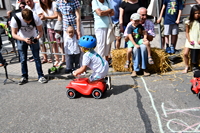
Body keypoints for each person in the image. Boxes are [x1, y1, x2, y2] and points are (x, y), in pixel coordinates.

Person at [10, 8, 47, 85]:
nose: (29, 22)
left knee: (37, 58)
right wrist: (24, 39)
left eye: (30, 21)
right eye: (27, 21)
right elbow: (14, 34)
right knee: (23, 59)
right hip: (21, 38)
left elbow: (40, 31)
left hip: (33, 37)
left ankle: (41, 76)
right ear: (23, 18)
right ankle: (24, 76)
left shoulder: (35, 18)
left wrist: (37, 37)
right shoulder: (15, 18)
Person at [56, 0, 82, 72]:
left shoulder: (75, 1)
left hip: (76, 26)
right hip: (66, 28)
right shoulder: (58, 2)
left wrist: (78, 30)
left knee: (80, 47)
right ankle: (68, 67)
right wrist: (58, 28)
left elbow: (78, 16)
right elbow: (59, 16)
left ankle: (81, 66)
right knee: (67, 48)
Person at [39, 0, 65, 66]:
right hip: (49, 27)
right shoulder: (43, 6)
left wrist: (46, 17)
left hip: (57, 27)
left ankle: (63, 59)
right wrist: (41, 17)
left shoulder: (54, 4)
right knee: (53, 44)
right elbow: (44, 17)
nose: (44, 1)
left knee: (60, 43)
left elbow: (56, 15)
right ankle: (57, 59)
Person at [182, 5, 200, 73]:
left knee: (195, 54)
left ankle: (195, 65)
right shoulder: (188, 22)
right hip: (190, 40)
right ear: (192, 13)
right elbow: (187, 32)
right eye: (195, 13)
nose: (197, 15)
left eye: (199, 13)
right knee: (185, 54)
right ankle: (187, 66)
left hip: (197, 40)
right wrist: (189, 40)